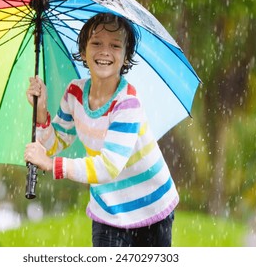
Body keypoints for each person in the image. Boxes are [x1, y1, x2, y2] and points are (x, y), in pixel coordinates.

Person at [24, 12, 178, 247]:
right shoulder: (75, 93)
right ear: (84, 51)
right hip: (107, 206)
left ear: (126, 57)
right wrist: (41, 111)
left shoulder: (127, 103)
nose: (105, 51)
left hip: (150, 206)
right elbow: (52, 143)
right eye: (96, 43)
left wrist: (52, 165)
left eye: (115, 45)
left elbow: (108, 166)